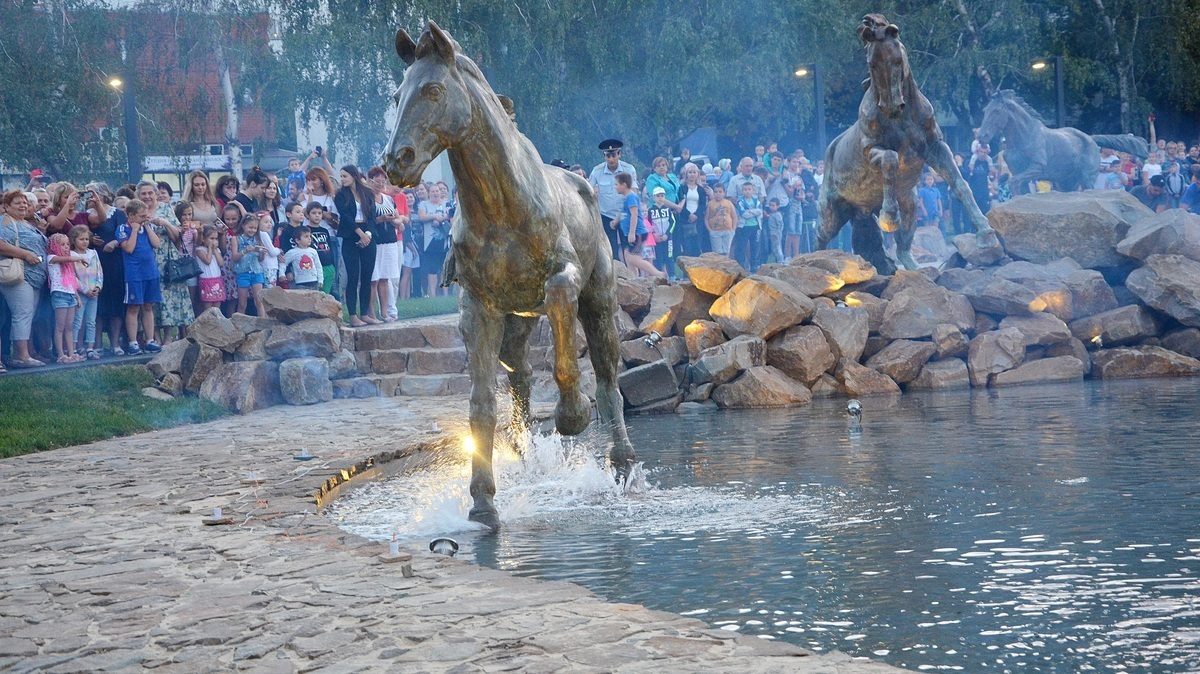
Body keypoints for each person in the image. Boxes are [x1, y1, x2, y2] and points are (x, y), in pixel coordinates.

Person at [0, 190, 49, 370]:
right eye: (17, 203)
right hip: (20, 276)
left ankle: (22, 354)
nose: (23, 205)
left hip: (33, 277)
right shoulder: (6, 221)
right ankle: (21, 356)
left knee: (27, 314)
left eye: (25, 203)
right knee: (22, 313)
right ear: (7, 206)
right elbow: (1, 244)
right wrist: (26, 254)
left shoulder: (26, 223)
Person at [139, 181, 192, 343]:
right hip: (145, 259)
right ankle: (154, 337)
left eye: (150, 193)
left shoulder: (165, 208)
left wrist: (165, 223)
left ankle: (169, 336)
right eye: (143, 193)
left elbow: (176, 236)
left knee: (168, 297)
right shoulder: (137, 210)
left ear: (156, 194)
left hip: (166, 259)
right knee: (150, 299)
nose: (147, 196)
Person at [117, 199, 163, 355]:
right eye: (141, 216)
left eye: (146, 215)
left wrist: (147, 226)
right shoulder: (123, 228)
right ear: (131, 215)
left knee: (148, 306)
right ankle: (133, 342)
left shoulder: (147, 226)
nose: (145, 218)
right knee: (134, 307)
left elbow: (156, 244)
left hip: (151, 272)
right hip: (134, 274)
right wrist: (135, 230)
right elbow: (129, 248)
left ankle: (150, 340)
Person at [334, 165, 378, 325]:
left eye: (345, 176)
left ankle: (365, 313)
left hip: (368, 234)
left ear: (354, 176)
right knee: (353, 276)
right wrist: (360, 234)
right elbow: (345, 216)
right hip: (350, 235)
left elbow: (372, 216)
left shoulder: (367, 193)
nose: (342, 179)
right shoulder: (341, 195)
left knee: (367, 276)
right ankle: (353, 315)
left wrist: (368, 235)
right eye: (341, 176)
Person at [589, 139, 637, 261]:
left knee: (629, 250)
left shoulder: (629, 169)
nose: (611, 159)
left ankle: (630, 272)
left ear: (619, 154)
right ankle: (615, 271)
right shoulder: (597, 171)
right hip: (606, 215)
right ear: (604, 156)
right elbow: (589, 191)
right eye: (608, 156)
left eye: (614, 155)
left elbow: (634, 193)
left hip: (625, 214)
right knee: (610, 250)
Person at [46, 233, 88, 363]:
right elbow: (66, 258)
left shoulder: (68, 265)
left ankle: (71, 353)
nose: (66, 247)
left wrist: (77, 297)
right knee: (60, 326)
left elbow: (71, 282)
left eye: (68, 244)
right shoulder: (52, 258)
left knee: (69, 326)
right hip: (59, 294)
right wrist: (79, 258)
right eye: (62, 244)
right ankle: (61, 355)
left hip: (70, 295)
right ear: (54, 246)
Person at [614, 172, 664, 279]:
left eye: (616, 184)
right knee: (628, 257)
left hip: (637, 233)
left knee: (633, 258)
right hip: (630, 233)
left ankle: (658, 274)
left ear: (624, 185)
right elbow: (623, 212)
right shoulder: (625, 198)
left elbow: (634, 214)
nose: (615, 187)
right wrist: (615, 221)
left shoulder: (631, 197)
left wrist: (632, 232)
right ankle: (634, 280)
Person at [368, 167, 402, 321]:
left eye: (383, 181)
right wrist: (381, 219)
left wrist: (395, 222)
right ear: (370, 181)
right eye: (378, 181)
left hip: (390, 240)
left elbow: (398, 218)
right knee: (373, 279)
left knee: (385, 278)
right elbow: (367, 221)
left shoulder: (388, 199)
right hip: (375, 241)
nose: (381, 184)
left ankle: (385, 311)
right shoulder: (367, 199)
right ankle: (370, 312)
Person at [69, 225, 102, 359]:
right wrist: (85, 290)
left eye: (86, 239)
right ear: (74, 240)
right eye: (81, 239)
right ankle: (74, 348)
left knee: (91, 321)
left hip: (94, 293)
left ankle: (90, 348)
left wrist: (98, 287)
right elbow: (72, 276)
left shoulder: (93, 253)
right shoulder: (71, 255)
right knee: (77, 321)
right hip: (81, 293)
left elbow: (99, 272)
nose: (84, 242)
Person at [417, 182, 452, 297]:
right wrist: (434, 217)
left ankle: (445, 294)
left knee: (444, 269)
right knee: (432, 270)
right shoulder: (424, 204)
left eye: (437, 191)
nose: (436, 193)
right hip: (430, 242)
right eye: (433, 191)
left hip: (445, 241)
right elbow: (421, 217)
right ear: (429, 193)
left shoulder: (446, 204)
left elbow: (450, 215)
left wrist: (442, 219)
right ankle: (433, 294)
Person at [230, 213, 267, 316]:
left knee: (259, 301)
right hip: (242, 272)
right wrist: (245, 251)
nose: (253, 230)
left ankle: (263, 322)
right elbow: (234, 257)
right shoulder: (236, 238)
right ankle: (239, 322)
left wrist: (263, 254)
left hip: (257, 271)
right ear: (243, 225)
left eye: (255, 228)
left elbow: (260, 259)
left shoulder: (257, 239)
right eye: (250, 227)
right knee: (242, 303)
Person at [675, 164, 708, 257]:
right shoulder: (682, 188)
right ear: (686, 174)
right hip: (685, 219)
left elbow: (702, 205)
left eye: (694, 172)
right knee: (687, 247)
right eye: (690, 172)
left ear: (697, 174)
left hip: (697, 220)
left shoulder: (701, 189)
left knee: (697, 246)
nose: (692, 174)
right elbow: (680, 202)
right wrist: (689, 215)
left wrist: (696, 215)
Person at [282, 226, 325, 291]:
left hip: (314, 281)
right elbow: (283, 262)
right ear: (297, 240)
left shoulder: (313, 251)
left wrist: (320, 279)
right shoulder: (292, 252)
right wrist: (282, 274)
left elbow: (318, 266)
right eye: (306, 236)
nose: (309, 238)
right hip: (300, 283)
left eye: (310, 236)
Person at [194, 225, 225, 312]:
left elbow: (221, 263)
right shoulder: (200, 250)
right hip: (206, 281)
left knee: (217, 308)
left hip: (217, 280)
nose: (214, 241)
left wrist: (215, 250)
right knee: (208, 308)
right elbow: (207, 261)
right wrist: (210, 249)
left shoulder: (217, 250)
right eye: (211, 238)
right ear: (203, 239)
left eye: (216, 239)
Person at [733, 182, 763, 271]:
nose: (747, 191)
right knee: (741, 246)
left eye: (749, 189)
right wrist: (754, 212)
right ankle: (741, 266)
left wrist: (750, 211)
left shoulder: (756, 201)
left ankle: (754, 265)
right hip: (744, 227)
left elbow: (760, 211)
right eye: (745, 189)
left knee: (755, 246)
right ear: (742, 191)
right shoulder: (741, 202)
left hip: (755, 226)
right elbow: (743, 214)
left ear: (753, 190)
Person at [647, 187, 675, 277]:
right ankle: (659, 276)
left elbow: (673, 222)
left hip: (668, 238)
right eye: (658, 196)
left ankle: (672, 275)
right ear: (654, 197)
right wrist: (653, 234)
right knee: (658, 257)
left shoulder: (667, 209)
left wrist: (667, 234)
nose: (660, 198)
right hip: (656, 239)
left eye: (662, 196)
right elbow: (648, 223)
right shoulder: (650, 210)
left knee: (669, 256)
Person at [705, 183, 738, 256]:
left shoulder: (729, 203)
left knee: (726, 251)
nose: (718, 194)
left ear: (724, 193)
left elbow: (734, 217)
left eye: (720, 192)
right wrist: (710, 230)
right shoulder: (710, 204)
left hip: (728, 230)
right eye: (715, 192)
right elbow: (706, 218)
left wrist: (733, 229)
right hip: (715, 231)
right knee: (717, 252)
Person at [967, 144, 993, 215]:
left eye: (984, 152)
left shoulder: (988, 161)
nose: (982, 154)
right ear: (978, 151)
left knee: (985, 209)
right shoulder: (972, 159)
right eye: (981, 152)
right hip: (974, 188)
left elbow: (991, 172)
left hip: (984, 189)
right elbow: (968, 173)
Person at [764, 198, 785, 263]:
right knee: (774, 247)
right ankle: (776, 260)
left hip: (776, 234)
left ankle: (780, 260)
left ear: (777, 206)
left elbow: (780, 225)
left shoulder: (778, 215)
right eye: (770, 205)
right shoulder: (771, 214)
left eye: (773, 205)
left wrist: (777, 233)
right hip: (772, 233)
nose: (771, 207)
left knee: (778, 247)